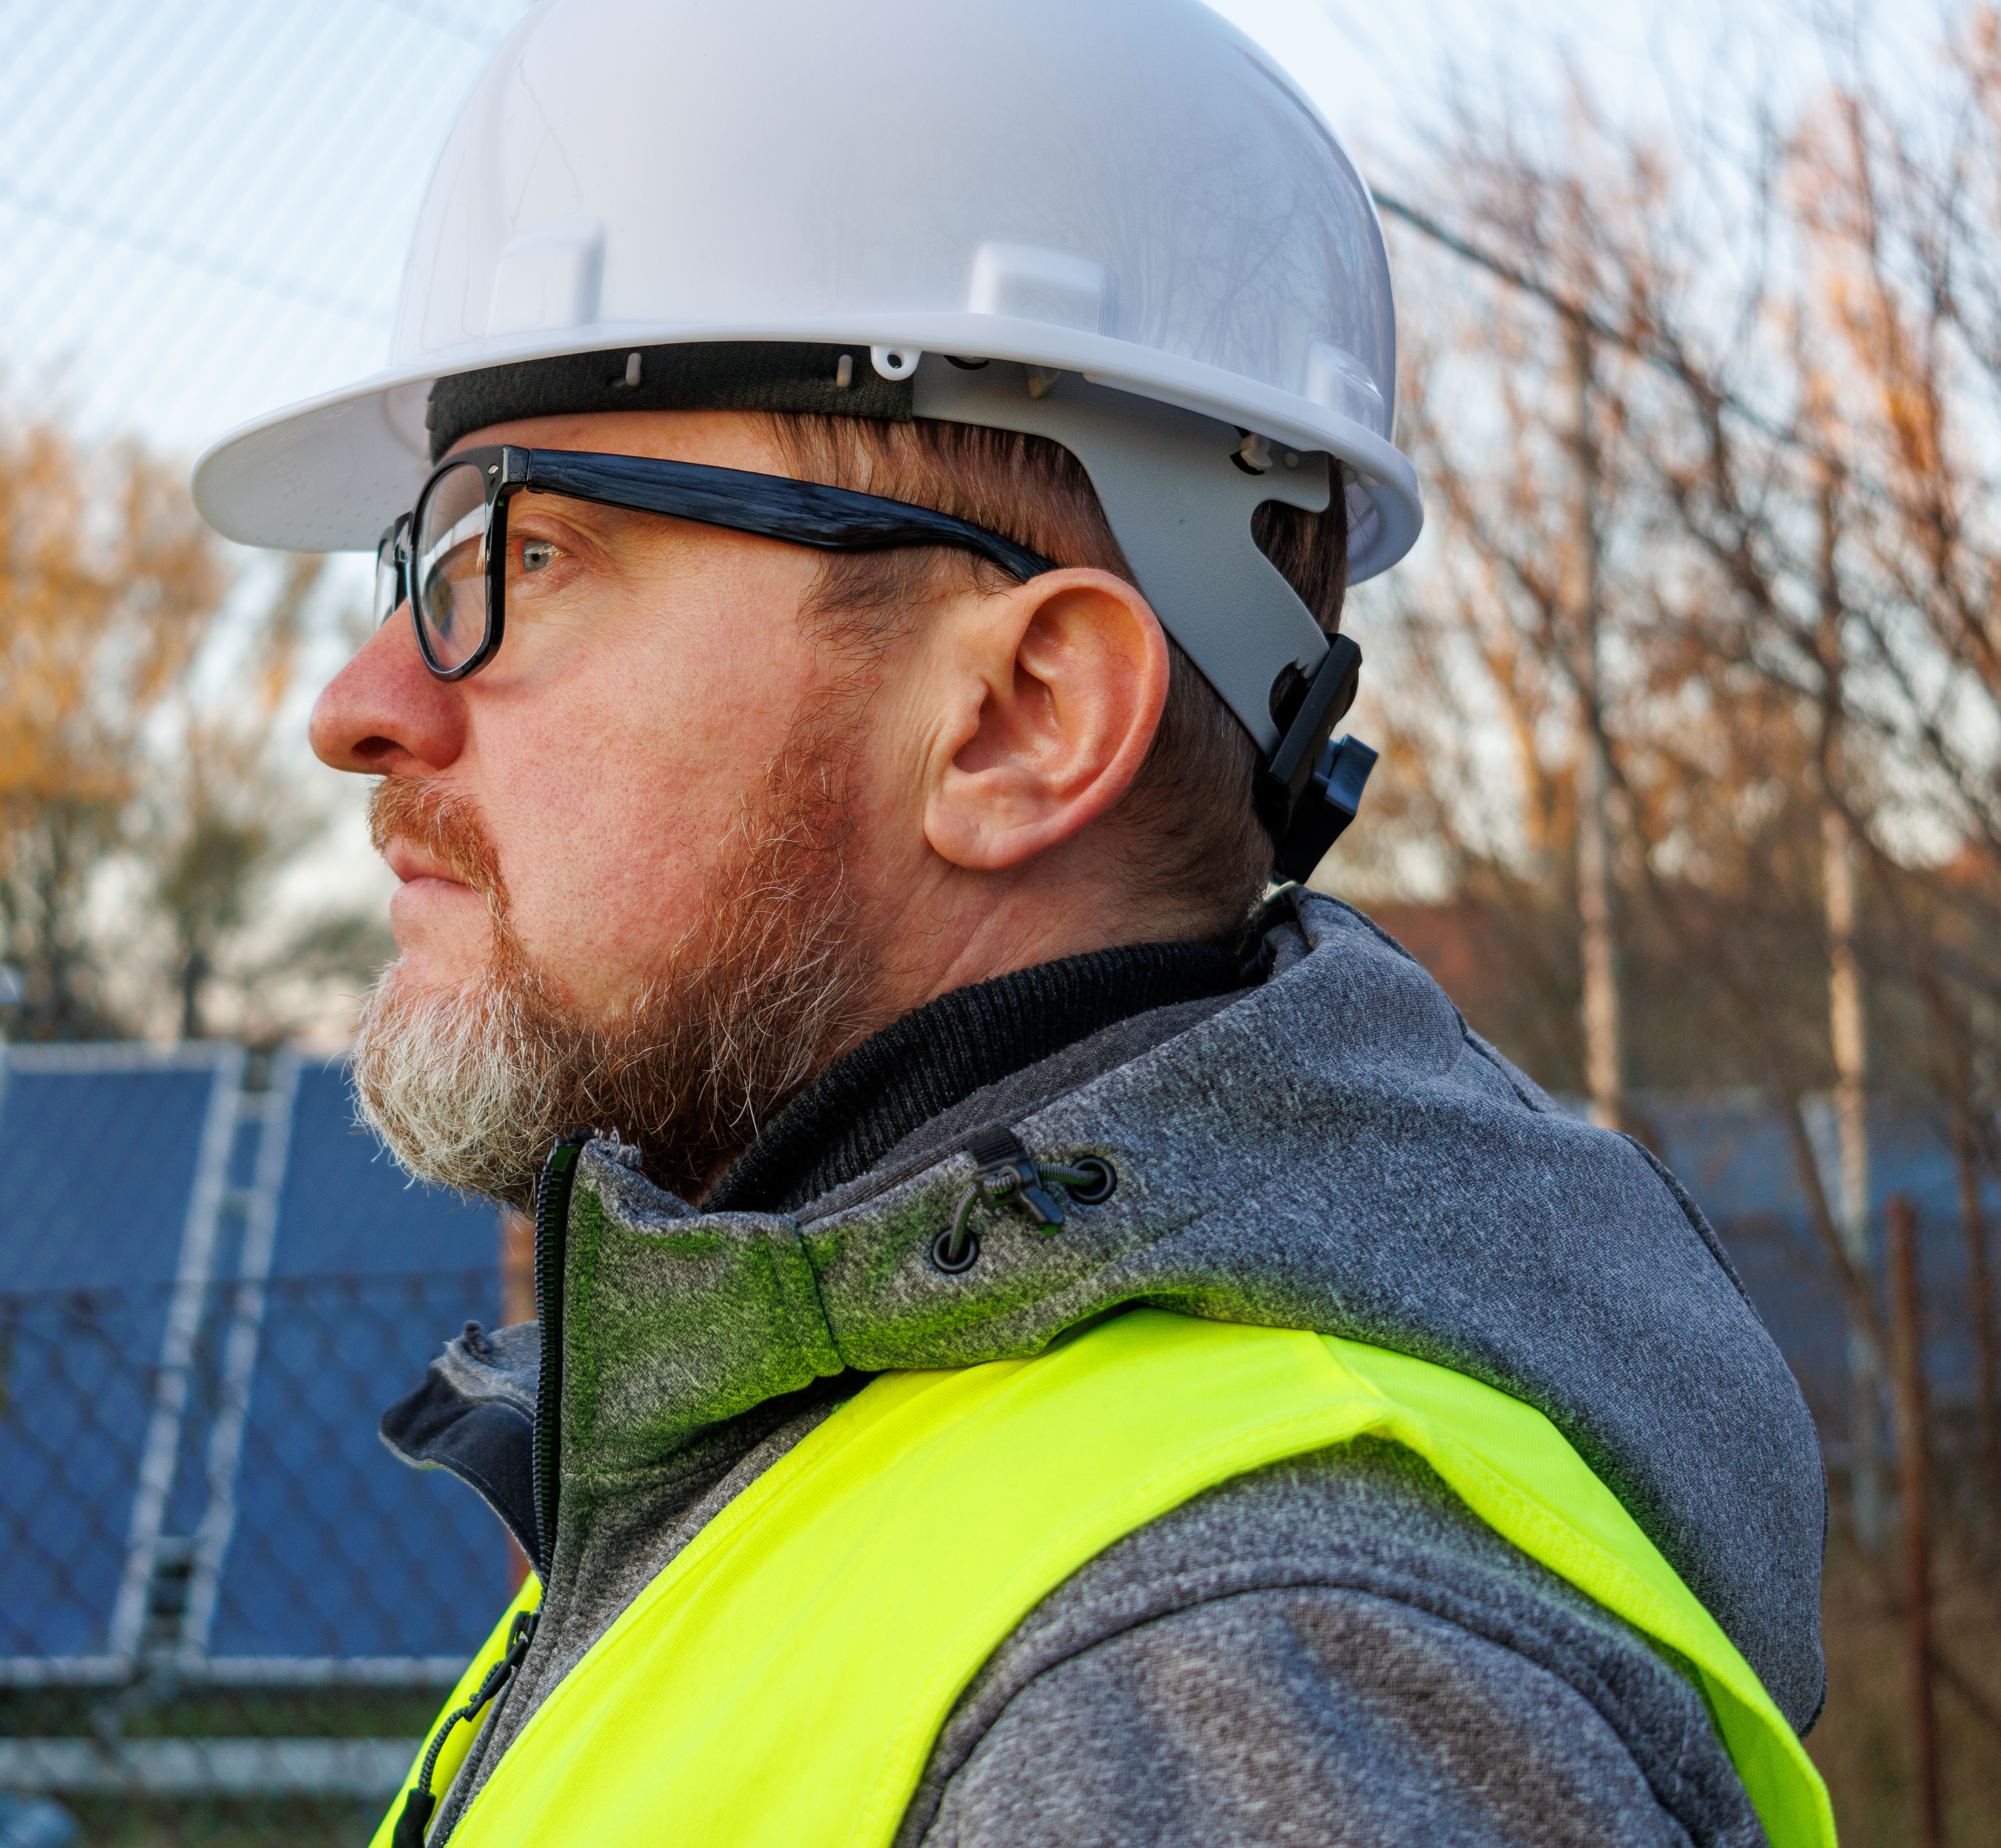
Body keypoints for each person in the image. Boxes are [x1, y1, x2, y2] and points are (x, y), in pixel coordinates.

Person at [191, 0, 1832, 1842]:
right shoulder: (826, 1416)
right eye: (422, 561)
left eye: (529, 551)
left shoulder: (1215, 1687)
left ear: (1018, 719)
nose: (357, 698)